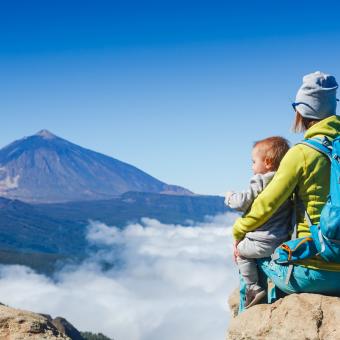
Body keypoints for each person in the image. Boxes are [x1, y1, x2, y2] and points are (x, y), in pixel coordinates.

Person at [232, 71, 340, 313]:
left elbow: (266, 205)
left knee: (249, 255)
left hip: (312, 270)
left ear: (301, 110)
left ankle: (247, 319)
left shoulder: (301, 153)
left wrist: (238, 231)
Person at [225, 136, 291, 308]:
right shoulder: (286, 182)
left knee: (240, 251)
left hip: (263, 243)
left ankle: (253, 288)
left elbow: (241, 202)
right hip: (283, 242)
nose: (252, 166)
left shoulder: (261, 180)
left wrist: (230, 197)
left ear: (268, 162)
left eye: (254, 162)